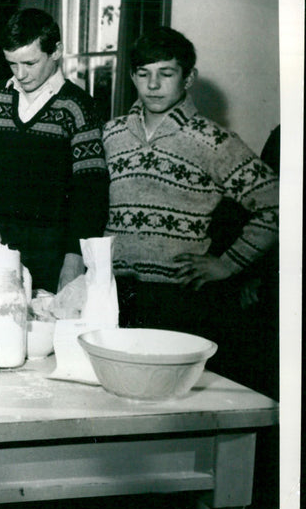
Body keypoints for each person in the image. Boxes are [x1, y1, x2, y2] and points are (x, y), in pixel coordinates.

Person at [102, 27, 279, 367]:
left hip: (178, 300)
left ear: (188, 78)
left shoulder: (213, 141)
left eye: (166, 73)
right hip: (114, 293)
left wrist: (228, 264)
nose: (153, 85)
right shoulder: (111, 134)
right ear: (132, 77)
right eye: (144, 74)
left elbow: (277, 204)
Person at [0, 8, 109, 292]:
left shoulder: (78, 107)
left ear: (56, 51)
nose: (21, 74)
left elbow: (90, 191)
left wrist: (75, 258)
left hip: (54, 252)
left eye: (30, 63)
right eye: (12, 64)